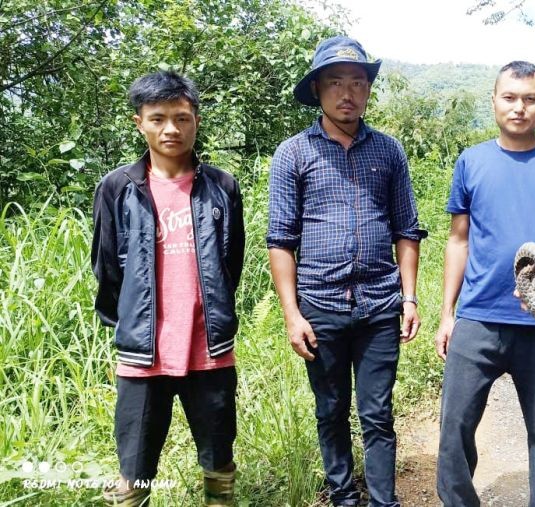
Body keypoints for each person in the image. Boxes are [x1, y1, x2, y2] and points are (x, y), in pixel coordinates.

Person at [266, 35, 425, 507]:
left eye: (357, 82)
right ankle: (342, 497)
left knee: (377, 413)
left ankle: (383, 501)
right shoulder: (293, 154)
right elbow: (281, 240)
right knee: (330, 409)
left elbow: (407, 229)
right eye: (335, 82)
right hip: (320, 308)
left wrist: (410, 297)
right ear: (317, 89)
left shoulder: (389, 151)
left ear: (368, 90)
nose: (347, 92)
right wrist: (292, 315)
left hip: (379, 304)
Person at [435, 61, 535, 506]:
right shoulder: (472, 161)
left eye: (530, 98)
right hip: (479, 318)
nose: (519, 108)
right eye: (510, 97)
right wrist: (448, 314)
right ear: (495, 101)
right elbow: (458, 240)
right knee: (454, 430)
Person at [91, 71, 246, 507]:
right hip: (143, 356)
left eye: (181, 117)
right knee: (134, 473)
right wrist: (131, 326)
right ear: (138, 122)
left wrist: (212, 313)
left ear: (196, 118)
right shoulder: (118, 188)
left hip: (208, 351)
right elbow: (106, 268)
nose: (171, 129)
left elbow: (230, 263)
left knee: (219, 464)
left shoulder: (221, 186)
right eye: (157, 118)